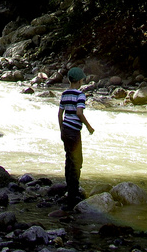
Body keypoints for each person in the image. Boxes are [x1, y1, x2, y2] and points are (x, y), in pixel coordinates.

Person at [58, 66, 94, 209]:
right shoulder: (80, 95)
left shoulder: (64, 94)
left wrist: (61, 130)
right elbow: (79, 113)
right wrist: (89, 126)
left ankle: (70, 189)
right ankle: (73, 195)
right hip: (74, 132)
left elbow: (59, 114)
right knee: (77, 162)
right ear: (79, 81)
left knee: (69, 160)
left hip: (65, 130)